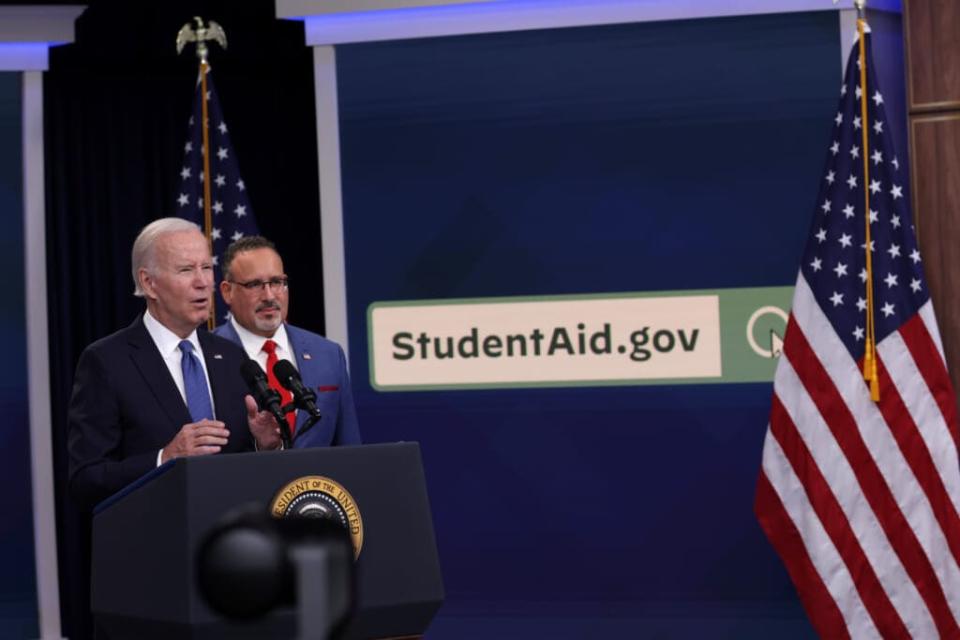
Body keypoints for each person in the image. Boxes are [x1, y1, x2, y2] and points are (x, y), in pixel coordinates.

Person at [67, 218, 282, 508]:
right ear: (149, 283)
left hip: (233, 541)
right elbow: (86, 478)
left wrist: (263, 445)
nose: (203, 282)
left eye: (206, 267)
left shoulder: (230, 356)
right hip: (156, 542)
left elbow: (239, 461)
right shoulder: (107, 361)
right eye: (186, 270)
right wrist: (164, 458)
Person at [215, 236, 361, 447]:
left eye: (276, 282)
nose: (269, 296)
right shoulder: (207, 356)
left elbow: (349, 449)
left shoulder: (328, 354)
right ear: (227, 292)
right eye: (255, 284)